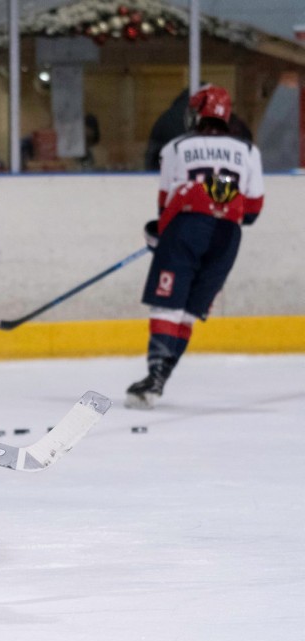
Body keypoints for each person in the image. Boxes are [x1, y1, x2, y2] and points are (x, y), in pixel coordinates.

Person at [126, 84, 264, 409]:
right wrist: (218, 198)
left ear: (198, 113)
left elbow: (165, 206)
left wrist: (160, 233)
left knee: (167, 306)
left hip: (187, 230)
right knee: (188, 311)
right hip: (227, 236)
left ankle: (154, 380)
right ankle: (160, 380)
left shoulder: (177, 146)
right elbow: (253, 211)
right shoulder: (248, 151)